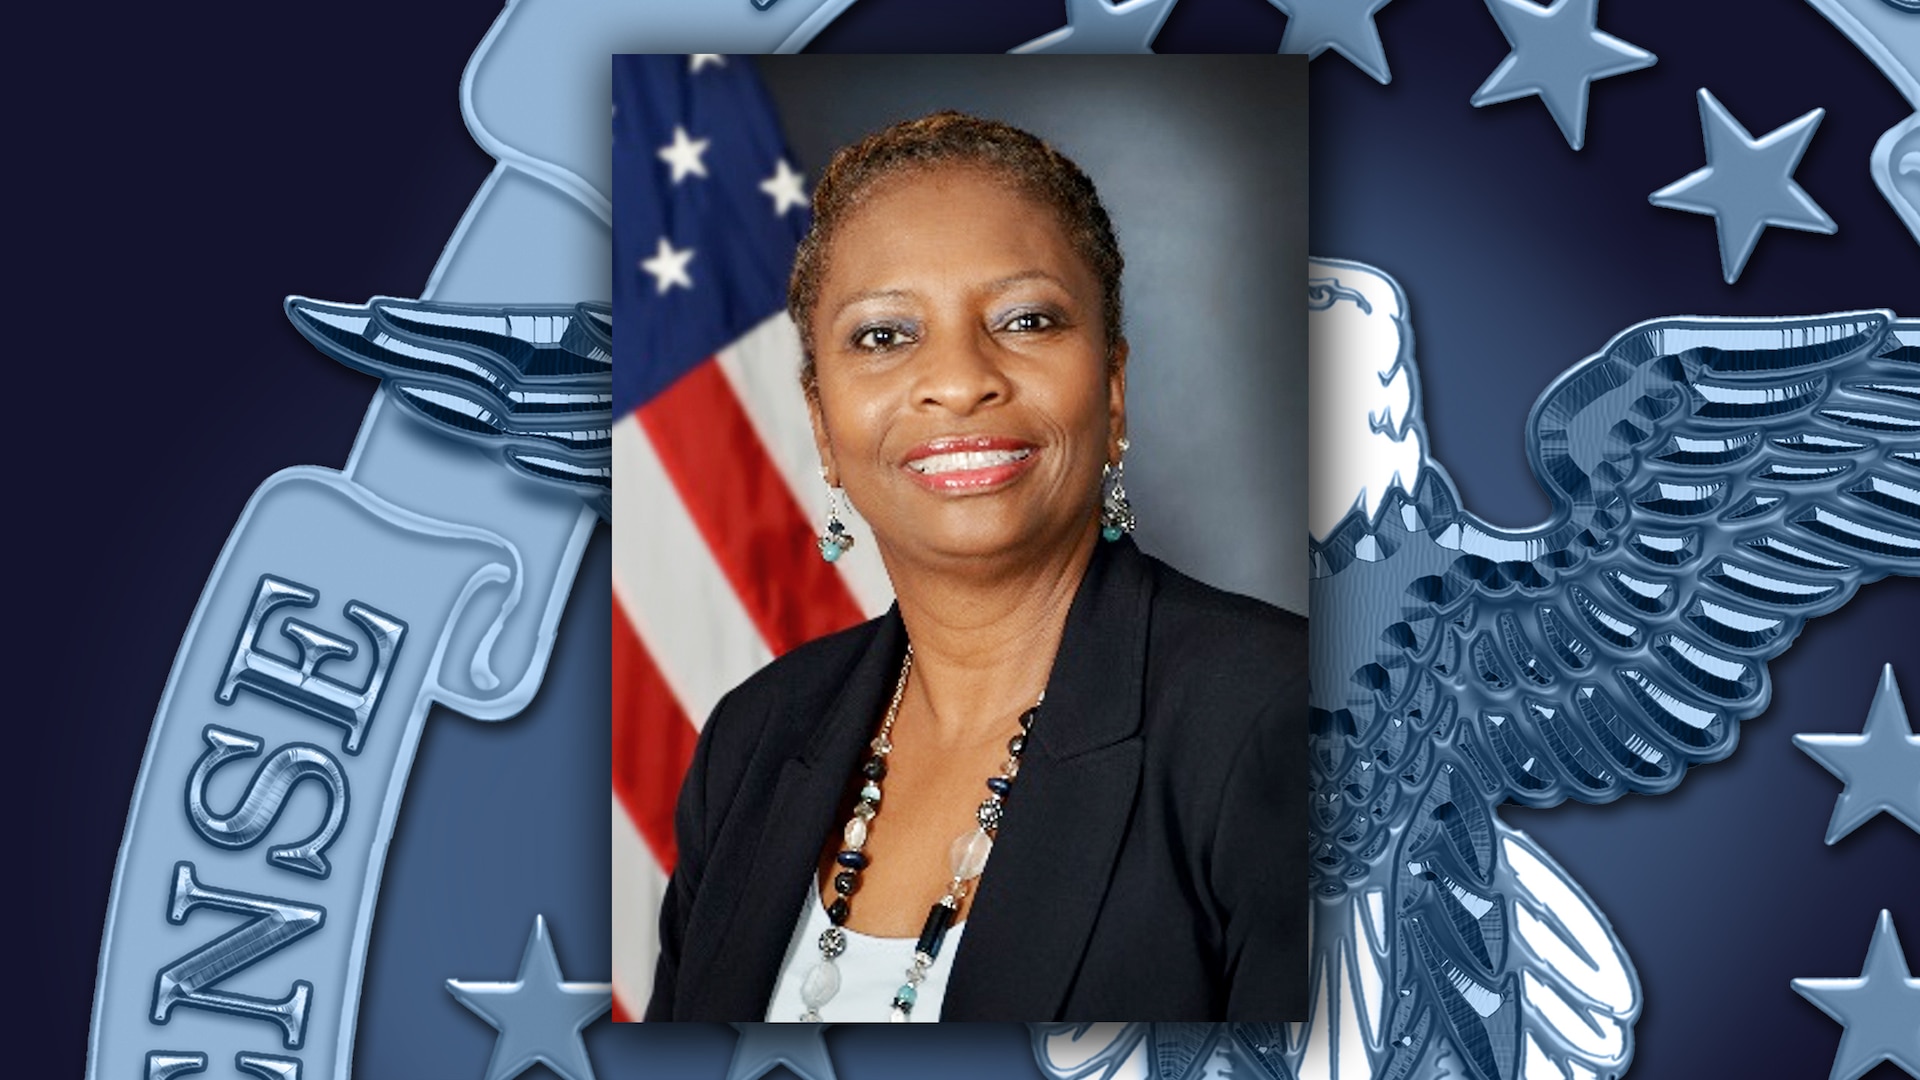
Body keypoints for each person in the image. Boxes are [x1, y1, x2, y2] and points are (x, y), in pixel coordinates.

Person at [646, 111, 1307, 1022]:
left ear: (1112, 391)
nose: (958, 380)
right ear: (821, 424)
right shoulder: (753, 739)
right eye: (883, 336)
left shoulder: (1287, 718)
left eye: (1025, 320)